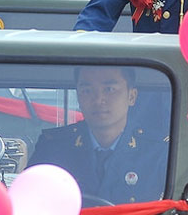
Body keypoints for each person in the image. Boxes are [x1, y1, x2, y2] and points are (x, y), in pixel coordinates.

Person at [30, 66, 167, 205]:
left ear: (131, 96)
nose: (98, 100)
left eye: (109, 89)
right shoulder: (53, 148)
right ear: (78, 97)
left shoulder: (158, 151)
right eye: (87, 91)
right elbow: (29, 200)